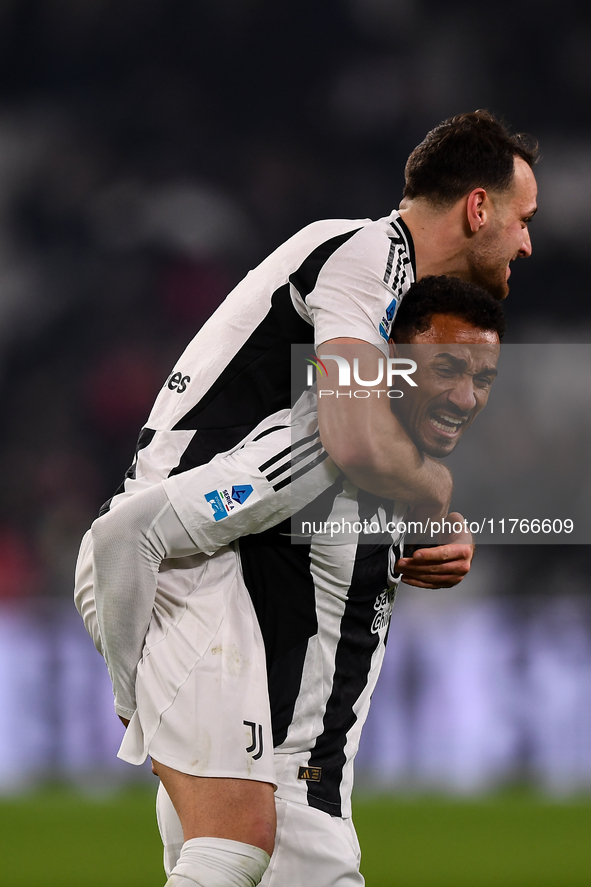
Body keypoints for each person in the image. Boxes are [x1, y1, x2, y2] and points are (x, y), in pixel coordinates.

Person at [75, 109, 536, 887]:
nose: (528, 243)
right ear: (476, 207)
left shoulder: (391, 324)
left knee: (236, 851)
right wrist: (434, 491)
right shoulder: (365, 253)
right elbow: (347, 442)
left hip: (221, 549)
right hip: (182, 547)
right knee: (234, 844)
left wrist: (424, 530)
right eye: (523, 219)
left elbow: (342, 466)